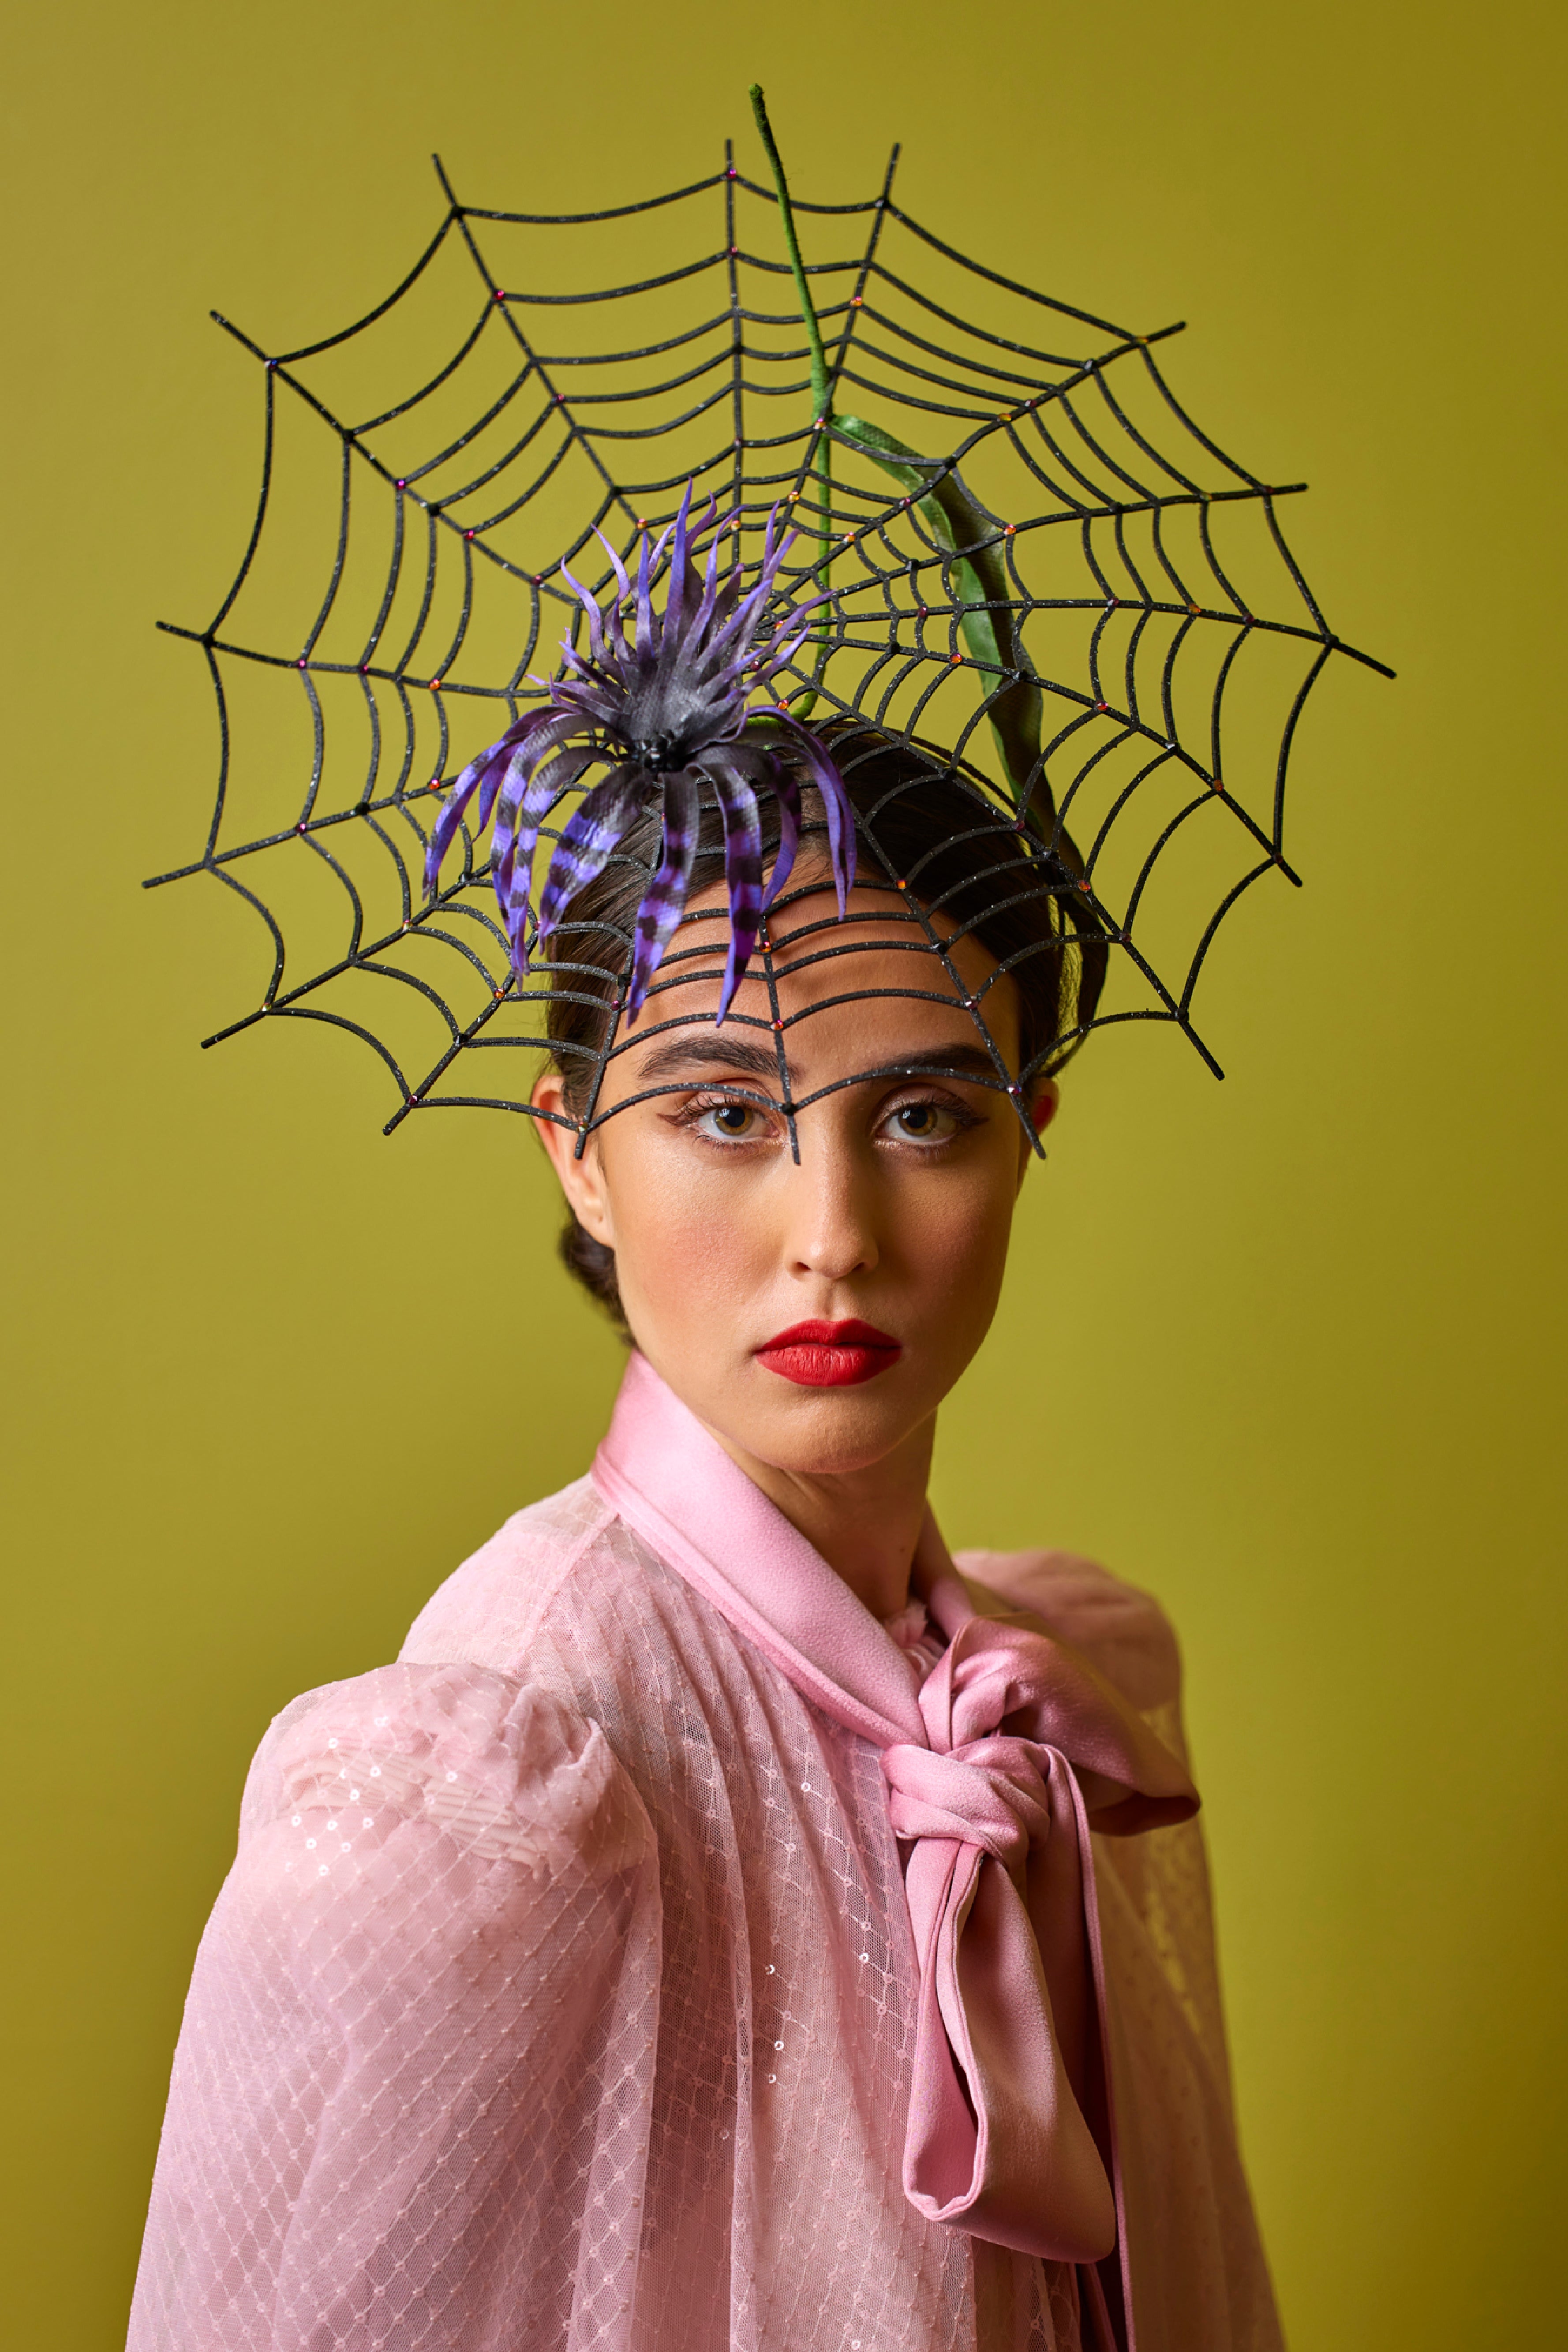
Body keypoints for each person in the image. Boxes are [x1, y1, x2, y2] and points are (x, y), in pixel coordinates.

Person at [128, 689, 1282, 2352]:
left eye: (922, 1114)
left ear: (1028, 1132)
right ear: (577, 1156)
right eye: (725, 1112)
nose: (833, 1234)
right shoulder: (489, 1802)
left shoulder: (1051, 1698)